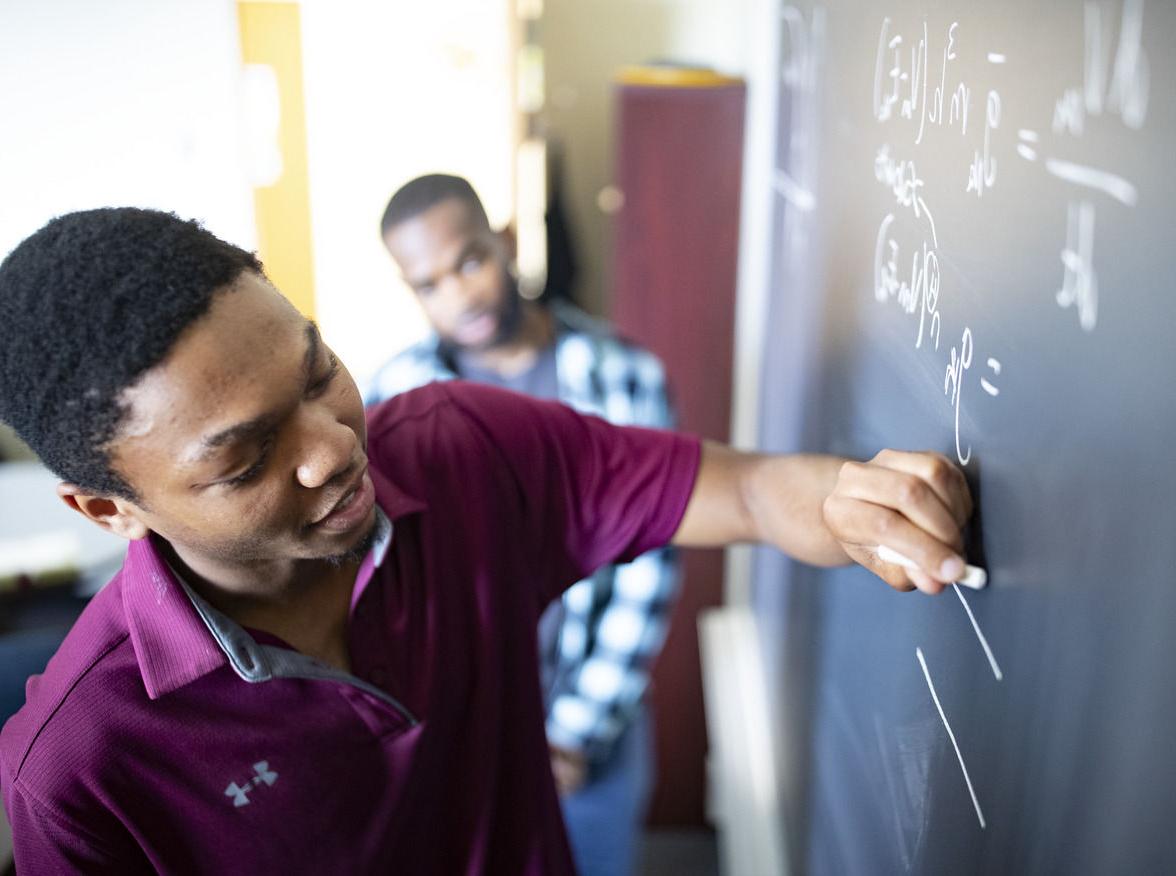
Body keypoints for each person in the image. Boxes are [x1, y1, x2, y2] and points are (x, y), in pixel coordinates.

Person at [0, 208, 973, 874]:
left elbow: (754, 495)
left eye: (316, 373)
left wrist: (850, 500)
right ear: (106, 509)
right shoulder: (78, 770)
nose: (335, 449)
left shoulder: (458, 446)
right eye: (246, 458)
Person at [366, 174, 675, 876]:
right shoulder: (391, 396)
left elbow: (649, 564)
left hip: (591, 721)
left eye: (469, 261)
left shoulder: (622, 377)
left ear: (504, 242)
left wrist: (570, 735)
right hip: (454, 729)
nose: (459, 296)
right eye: (429, 284)